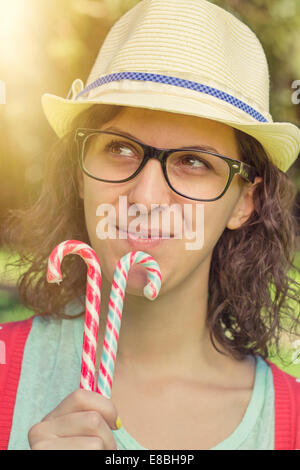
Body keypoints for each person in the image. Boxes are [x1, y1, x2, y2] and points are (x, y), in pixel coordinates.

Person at [1, 0, 300, 451]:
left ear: (244, 203)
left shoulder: (291, 421)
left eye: (194, 162)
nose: (145, 198)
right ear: (80, 174)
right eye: (120, 149)